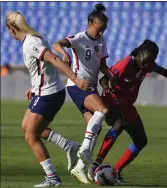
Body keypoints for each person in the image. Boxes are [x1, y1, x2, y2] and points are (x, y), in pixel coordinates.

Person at [6, 11, 90, 187]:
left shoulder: (31, 43)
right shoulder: (33, 39)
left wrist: (75, 79)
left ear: (11, 28)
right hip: (44, 91)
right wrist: (34, 87)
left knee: (31, 135)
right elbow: (42, 68)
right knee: (26, 127)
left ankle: (52, 178)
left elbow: (54, 60)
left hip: (49, 94)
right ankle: (69, 146)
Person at [88, 39, 167, 183]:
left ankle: (115, 172)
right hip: (112, 101)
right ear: (140, 54)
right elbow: (103, 80)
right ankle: (96, 164)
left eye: (150, 62)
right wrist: (108, 86)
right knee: (119, 123)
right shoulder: (124, 65)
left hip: (127, 105)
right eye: (146, 61)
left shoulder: (148, 65)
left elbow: (166, 72)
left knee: (141, 140)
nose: (146, 65)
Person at [53, 3, 116, 184]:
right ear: (90, 24)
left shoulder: (102, 41)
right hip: (77, 85)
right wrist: (64, 51)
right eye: (98, 29)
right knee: (103, 111)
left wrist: (112, 77)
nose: (101, 33)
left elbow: (103, 66)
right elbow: (57, 44)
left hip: (90, 87)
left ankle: (79, 167)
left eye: (103, 30)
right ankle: (84, 151)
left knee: (95, 128)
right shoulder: (79, 38)